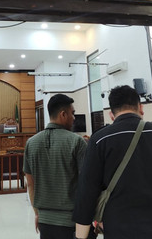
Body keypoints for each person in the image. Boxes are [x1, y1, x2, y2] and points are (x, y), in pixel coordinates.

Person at [73, 85, 152, 239]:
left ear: (111, 115)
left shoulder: (100, 140)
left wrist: (81, 236)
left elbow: (87, 192)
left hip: (122, 231)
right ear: (141, 108)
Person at [23, 94, 93, 239]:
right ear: (63, 114)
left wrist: (37, 213)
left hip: (44, 221)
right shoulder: (77, 142)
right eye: (72, 113)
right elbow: (87, 184)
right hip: (72, 221)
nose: (74, 118)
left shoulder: (31, 143)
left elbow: (30, 183)